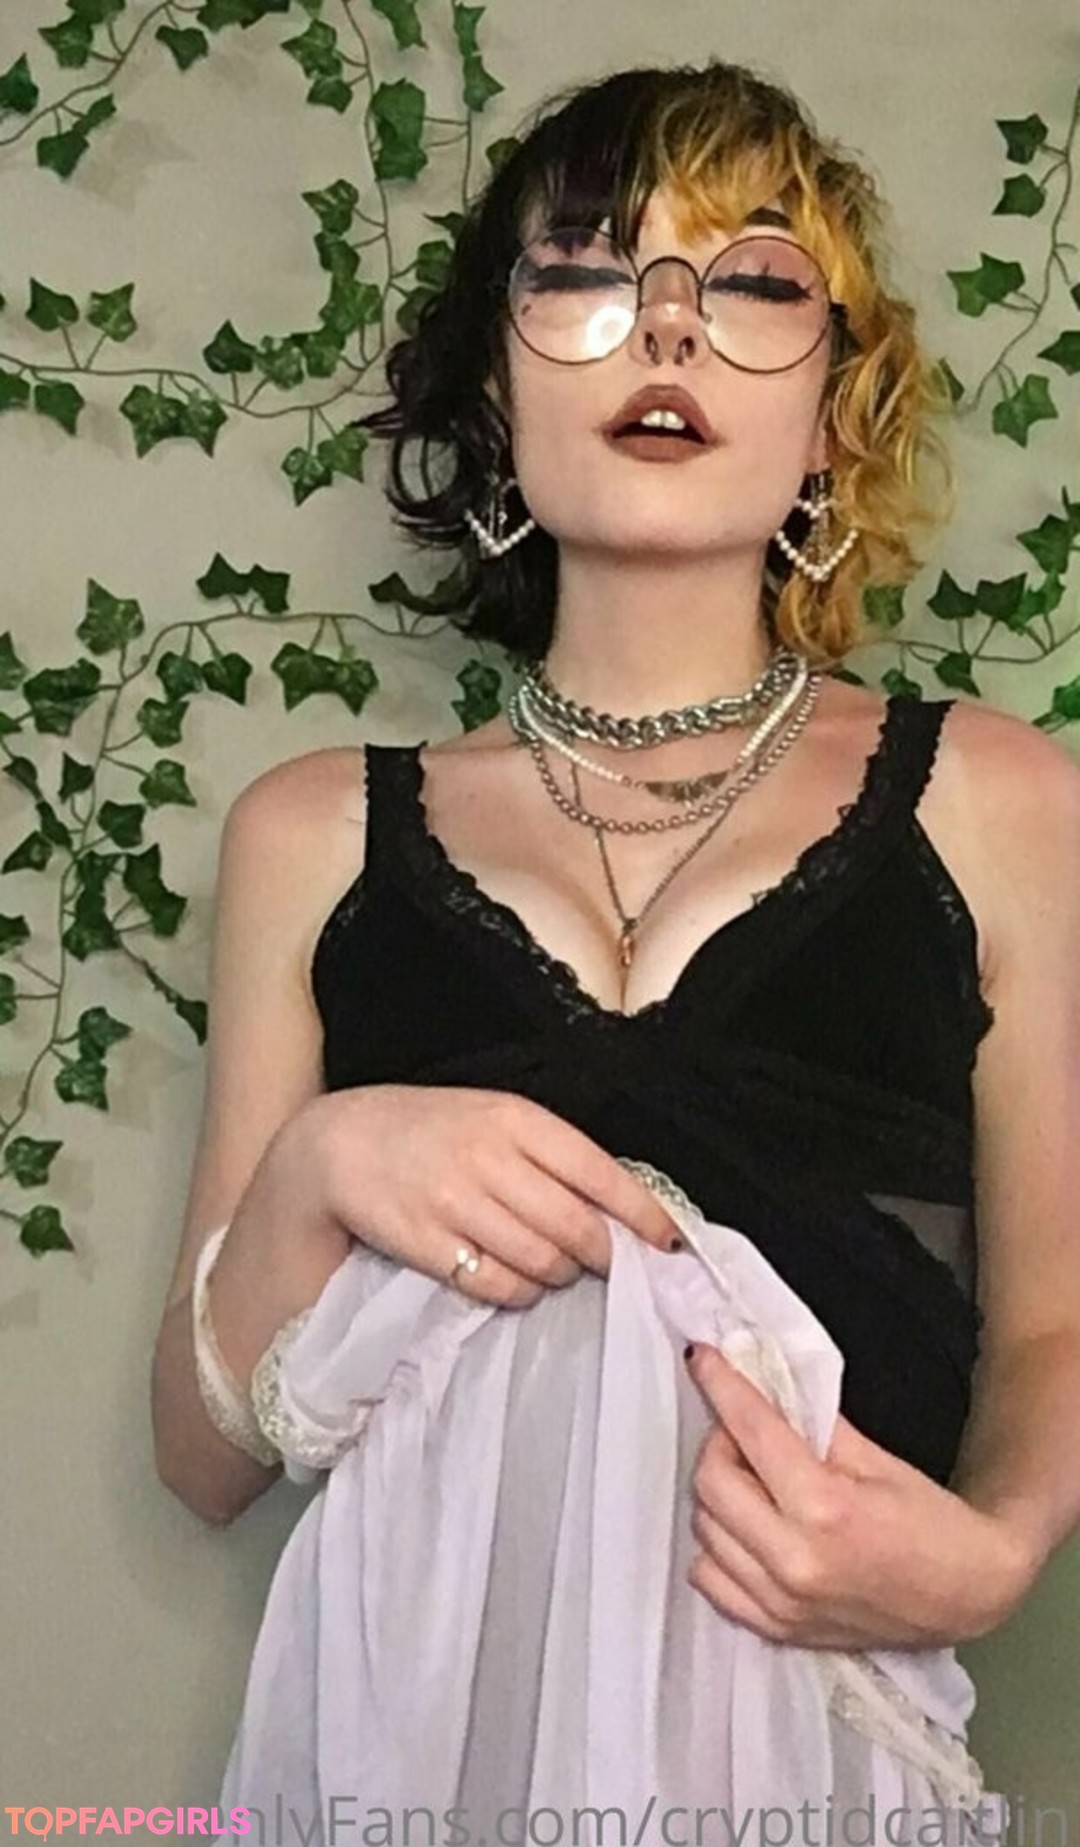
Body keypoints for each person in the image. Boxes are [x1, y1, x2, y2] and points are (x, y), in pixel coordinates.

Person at [151, 59, 1080, 1847]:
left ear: (834, 413)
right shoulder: (309, 833)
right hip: (406, 1760)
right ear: (497, 400)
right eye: (583, 272)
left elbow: (1054, 1320)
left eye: (751, 282)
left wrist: (991, 1553)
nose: (666, 328)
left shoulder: (1001, 801)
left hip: (813, 1754)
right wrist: (318, 1169)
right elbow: (202, 1463)